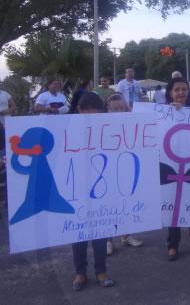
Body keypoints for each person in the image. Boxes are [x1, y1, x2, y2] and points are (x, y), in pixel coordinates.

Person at [71, 92, 115, 290]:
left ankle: (101, 271)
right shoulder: (67, 129)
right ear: (79, 110)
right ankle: (80, 272)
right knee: (77, 236)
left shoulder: (110, 128)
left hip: (102, 191)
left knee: (100, 235)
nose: (90, 117)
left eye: (94, 113)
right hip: (76, 191)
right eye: (85, 112)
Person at [164, 77, 190, 260]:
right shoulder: (163, 112)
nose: (181, 93)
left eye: (184, 89)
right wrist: (171, 113)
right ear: (170, 93)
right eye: (177, 89)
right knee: (174, 205)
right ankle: (172, 244)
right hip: (172, 165)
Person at [104, 94, 144, 254]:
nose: (120, 111)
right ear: (108, 110)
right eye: (115, 109)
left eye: (122, 107)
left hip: (127, 169)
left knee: (126, 202)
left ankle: (126, 235)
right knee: (108, 205)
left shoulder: (135, 121)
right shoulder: (101, 125)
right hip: (107, 171)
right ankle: (107, 239)